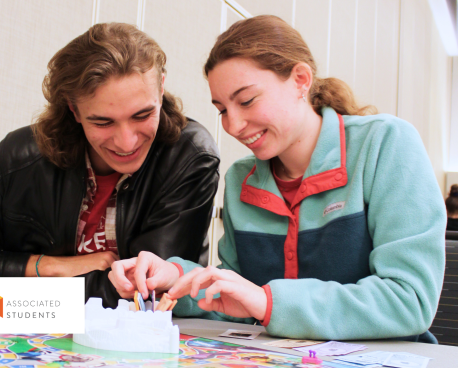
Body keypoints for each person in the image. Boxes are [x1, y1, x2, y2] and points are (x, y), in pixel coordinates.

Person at [109, 15, 446, 342]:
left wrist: (271, 303)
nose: (233, 125)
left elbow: (410, 299)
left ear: (301, 80)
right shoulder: (242, 177)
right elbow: (237, 298)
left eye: (246, 100)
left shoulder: (386, 144)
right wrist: (172, 277)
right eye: (223, 109)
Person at [0, 23, 220, 308]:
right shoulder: (20, 155)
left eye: (142, 115)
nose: (127, 142)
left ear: (161, 89)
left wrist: (10, 292)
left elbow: (144, 292)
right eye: (102, 122)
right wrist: (53, 267)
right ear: (74, 109)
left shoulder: (190, 156)